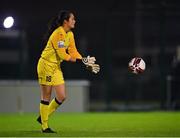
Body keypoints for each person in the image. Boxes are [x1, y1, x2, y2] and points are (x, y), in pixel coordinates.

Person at [36, 10, 100, 133]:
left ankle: (43, 117)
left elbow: (73, 52)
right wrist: (83, 61)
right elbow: (63, 55)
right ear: (66, 21)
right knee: (46, 95)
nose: (75, 21)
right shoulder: (58, 33)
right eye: (73, 19)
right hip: (45, 65)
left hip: (56, 67)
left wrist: (84, 61)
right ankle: (44, 126)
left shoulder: (69, 34)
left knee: (62, 96)